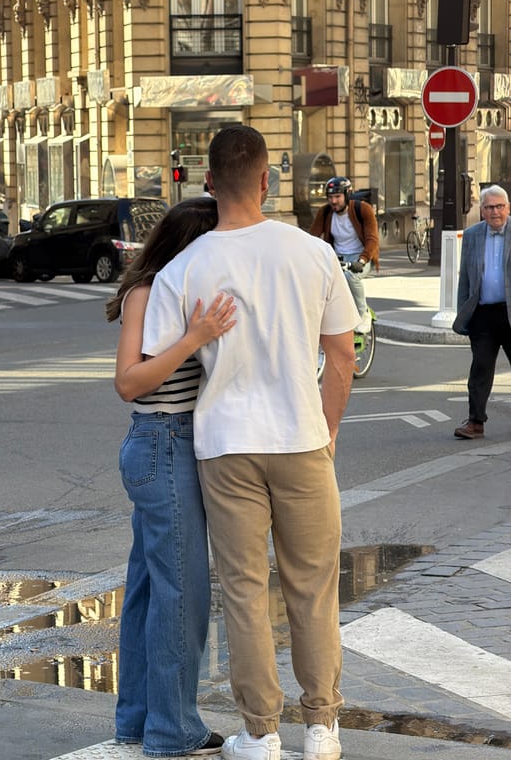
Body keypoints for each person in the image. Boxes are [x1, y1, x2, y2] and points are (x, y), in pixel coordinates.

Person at [142, 125, 360, 760]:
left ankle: (260, 732)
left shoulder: (183, 269)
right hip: (300, 437)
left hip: (225, 443)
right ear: (268, 180)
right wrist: (327, 431)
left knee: (242, 587)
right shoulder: (312, 252)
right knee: (313, 585)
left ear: (208, 183)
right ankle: (321, 727)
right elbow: (342, 356)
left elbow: (156, 366)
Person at [107, 196, 237, 757]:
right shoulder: (150, 293)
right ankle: (172, 729)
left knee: (147, 590)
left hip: (161, 447)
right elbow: (129, 382)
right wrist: (195, 337)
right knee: (180, 593)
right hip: (162, 443)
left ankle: (138, 719)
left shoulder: (178, 292)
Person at [452, 184, 511, 439]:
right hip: (483, 314)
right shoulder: (472, 235)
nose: (495, 211)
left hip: (510, 312)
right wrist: (462, 312)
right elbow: (465, 277)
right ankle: (475, 422)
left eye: (500, 206)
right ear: (482, 211)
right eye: (489, 207)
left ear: (508, 208)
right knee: (480, 368)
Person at [310, 176, 380, 334]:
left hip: (361, 256)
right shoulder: (326, 212)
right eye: (330, 197)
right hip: (337, 257)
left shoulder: (363, 209)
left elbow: (372, 239)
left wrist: (362, 261)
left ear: (347, 195)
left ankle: (363, 314)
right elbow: (313, 237)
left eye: (337, 197)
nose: (333, 201)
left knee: (351, 277)